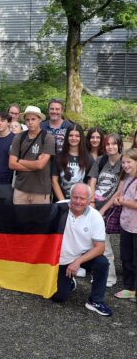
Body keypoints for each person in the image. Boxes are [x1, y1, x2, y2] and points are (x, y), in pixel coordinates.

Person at [50, 183, 112, 316]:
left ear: (89, 199)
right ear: (70, 196)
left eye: (82, 198)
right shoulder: (59, 207)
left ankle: (95, 301)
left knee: (102, 263)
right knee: (58, 298)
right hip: (62, 257)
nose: (78, 201)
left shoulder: (95, 217)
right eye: (75, 197)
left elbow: (100, 248)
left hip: (83, 255)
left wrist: (77, 262)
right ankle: (70, 282)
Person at [90, 133, 123, 288]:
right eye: (108, 144)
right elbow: (93, 180)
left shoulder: (124, 163)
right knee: (92, 241)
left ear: (119, 145)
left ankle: (109, 277)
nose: (111, 147)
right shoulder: (101, 160)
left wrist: (102, 210)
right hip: (95, 204)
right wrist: (90, 202)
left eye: (114, 144)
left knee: (104, 243)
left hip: (110, 208)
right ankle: (97, 273)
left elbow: (119, 190)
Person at [9, 106, 55, 205]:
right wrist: (35, 164)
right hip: (20, 189)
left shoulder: (48, 138)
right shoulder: (19, 137)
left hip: (41, 190)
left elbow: (40, 165)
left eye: (33, 119)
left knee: (40, 220)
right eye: (27, 120)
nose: (30, 122)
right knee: (20, 220)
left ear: (40, 120)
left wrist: (20, 161)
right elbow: (12, 164)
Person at [112, 148, 137, 300]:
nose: (126, 165)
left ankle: (134, 288)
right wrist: (119, 200)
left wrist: (123, 202)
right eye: (123, 162)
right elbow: (123, 196)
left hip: (135, 226)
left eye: (129, 162)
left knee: (135, 258)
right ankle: (130, 287)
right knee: (126, 257)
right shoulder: (128, 179)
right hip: (126, 224)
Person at [52, 124, 93, 201]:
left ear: (81, 138)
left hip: (80, 203)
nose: (74, 138)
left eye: (77, 136)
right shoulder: (58, 157)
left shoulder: (89, 159)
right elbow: (54, 181)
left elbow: (90, 183)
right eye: (71, 135)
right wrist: (63, 202)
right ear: (67, 137)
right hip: (61, 202)